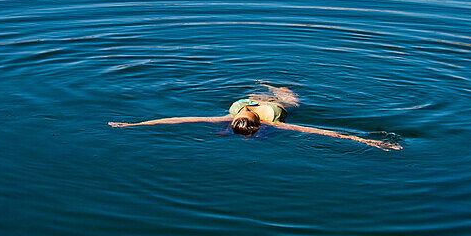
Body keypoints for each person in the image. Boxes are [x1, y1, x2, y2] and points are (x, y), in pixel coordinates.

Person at [109, 83, 401, 151]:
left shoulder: (232, 119)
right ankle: (273, 87)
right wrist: (367, 141)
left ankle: (274, 88)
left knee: (290, 98)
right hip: (264, 102)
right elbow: (319, 132)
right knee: (287, 98)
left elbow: (177, 119)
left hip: (262, 101)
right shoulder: (267, 122)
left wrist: (134, 125)